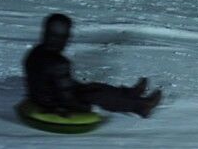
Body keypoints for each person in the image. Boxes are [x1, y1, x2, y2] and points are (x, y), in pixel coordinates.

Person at [24, 14, 162, 117]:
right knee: (98, 95)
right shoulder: (58, 63)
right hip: (53, 105)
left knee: (92, 87)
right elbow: (67, 98)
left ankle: (130, 94)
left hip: (42, 98)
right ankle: (141, 106)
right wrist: (86, 108)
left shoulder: (36, 52)